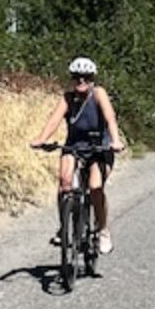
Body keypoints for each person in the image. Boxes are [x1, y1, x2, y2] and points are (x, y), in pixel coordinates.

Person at [30, 56, 126, 254]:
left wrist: (115, 140)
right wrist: (41, 138)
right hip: (75, 146)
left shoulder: (99, 94)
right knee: (64, 182)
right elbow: (54, 120)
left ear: (92, 79)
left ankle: (103, 230)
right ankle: (64, 226)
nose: (81, 81)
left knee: (95, 186)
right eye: (77, 77)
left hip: (99, 149)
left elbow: (110, 118)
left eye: (86, 77)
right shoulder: (67, 98)